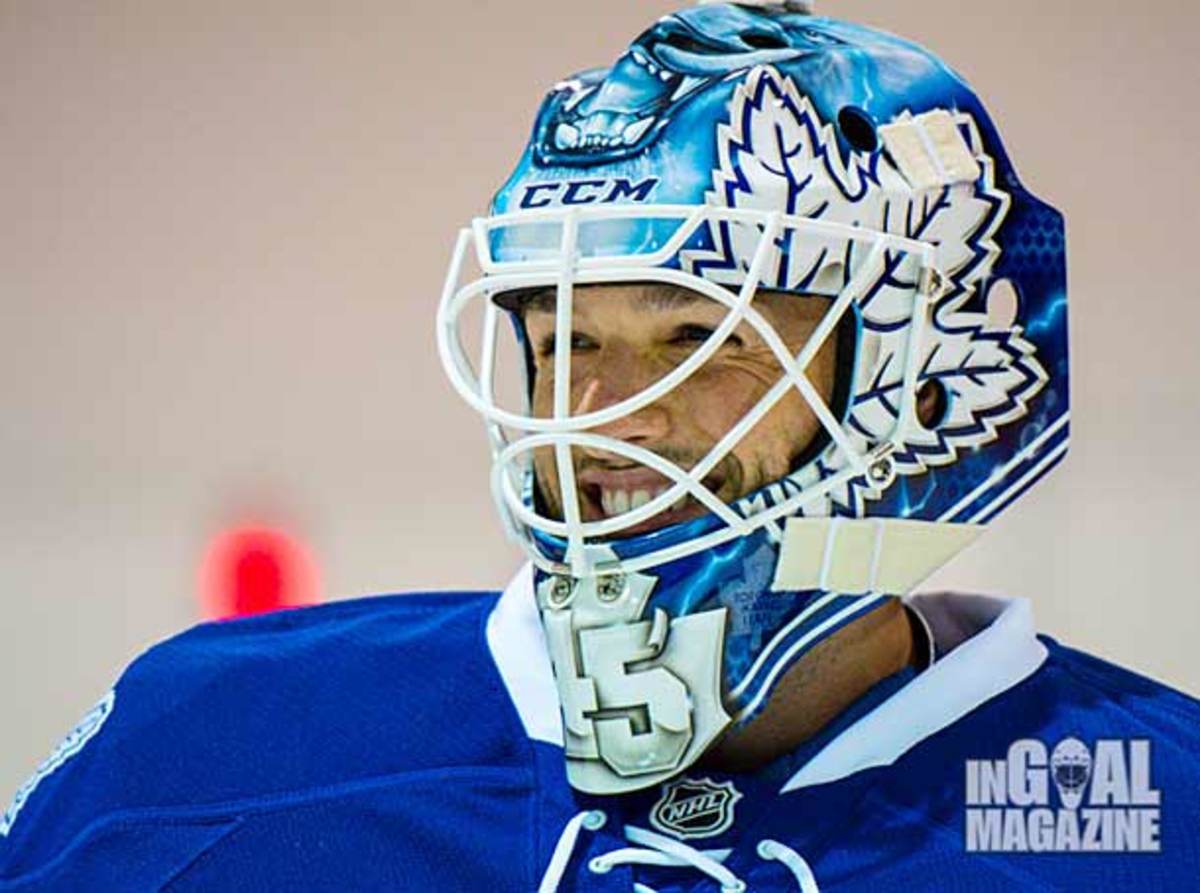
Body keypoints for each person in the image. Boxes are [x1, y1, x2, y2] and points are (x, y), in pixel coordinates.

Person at [1, 3, 1197, 890]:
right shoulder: (202, 753)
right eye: (564, 335)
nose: (605, 411)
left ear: (914, 377)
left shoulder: (1154, 809)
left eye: (700, 333)